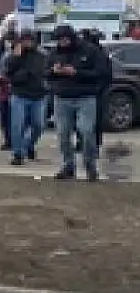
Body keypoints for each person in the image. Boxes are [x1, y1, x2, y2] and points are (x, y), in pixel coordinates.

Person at [46, 25, 107, 182]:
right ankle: (68, 167)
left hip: (85, 97)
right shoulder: (54, 53)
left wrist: (76, 73)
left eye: (65, 39)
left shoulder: (90, 50)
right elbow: (45, 74)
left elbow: (101, 73)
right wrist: (53, 71)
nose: (62, 43)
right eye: (59, 40)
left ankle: (90, 166)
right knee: (63, 134)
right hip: (62, 97)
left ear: (72, 37)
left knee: (86, 132)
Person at [6, 30, 48, 166]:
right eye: (24, 40)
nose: (27, 43)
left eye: (30, 40)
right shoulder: (14, 56)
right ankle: (18, 153)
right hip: (19, 93)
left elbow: (43, 72)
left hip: (38, 95)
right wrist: (16, 57)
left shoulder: (41, 56)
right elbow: (8, 72)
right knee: (18, 125)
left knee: (38, 125)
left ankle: (28, 144)